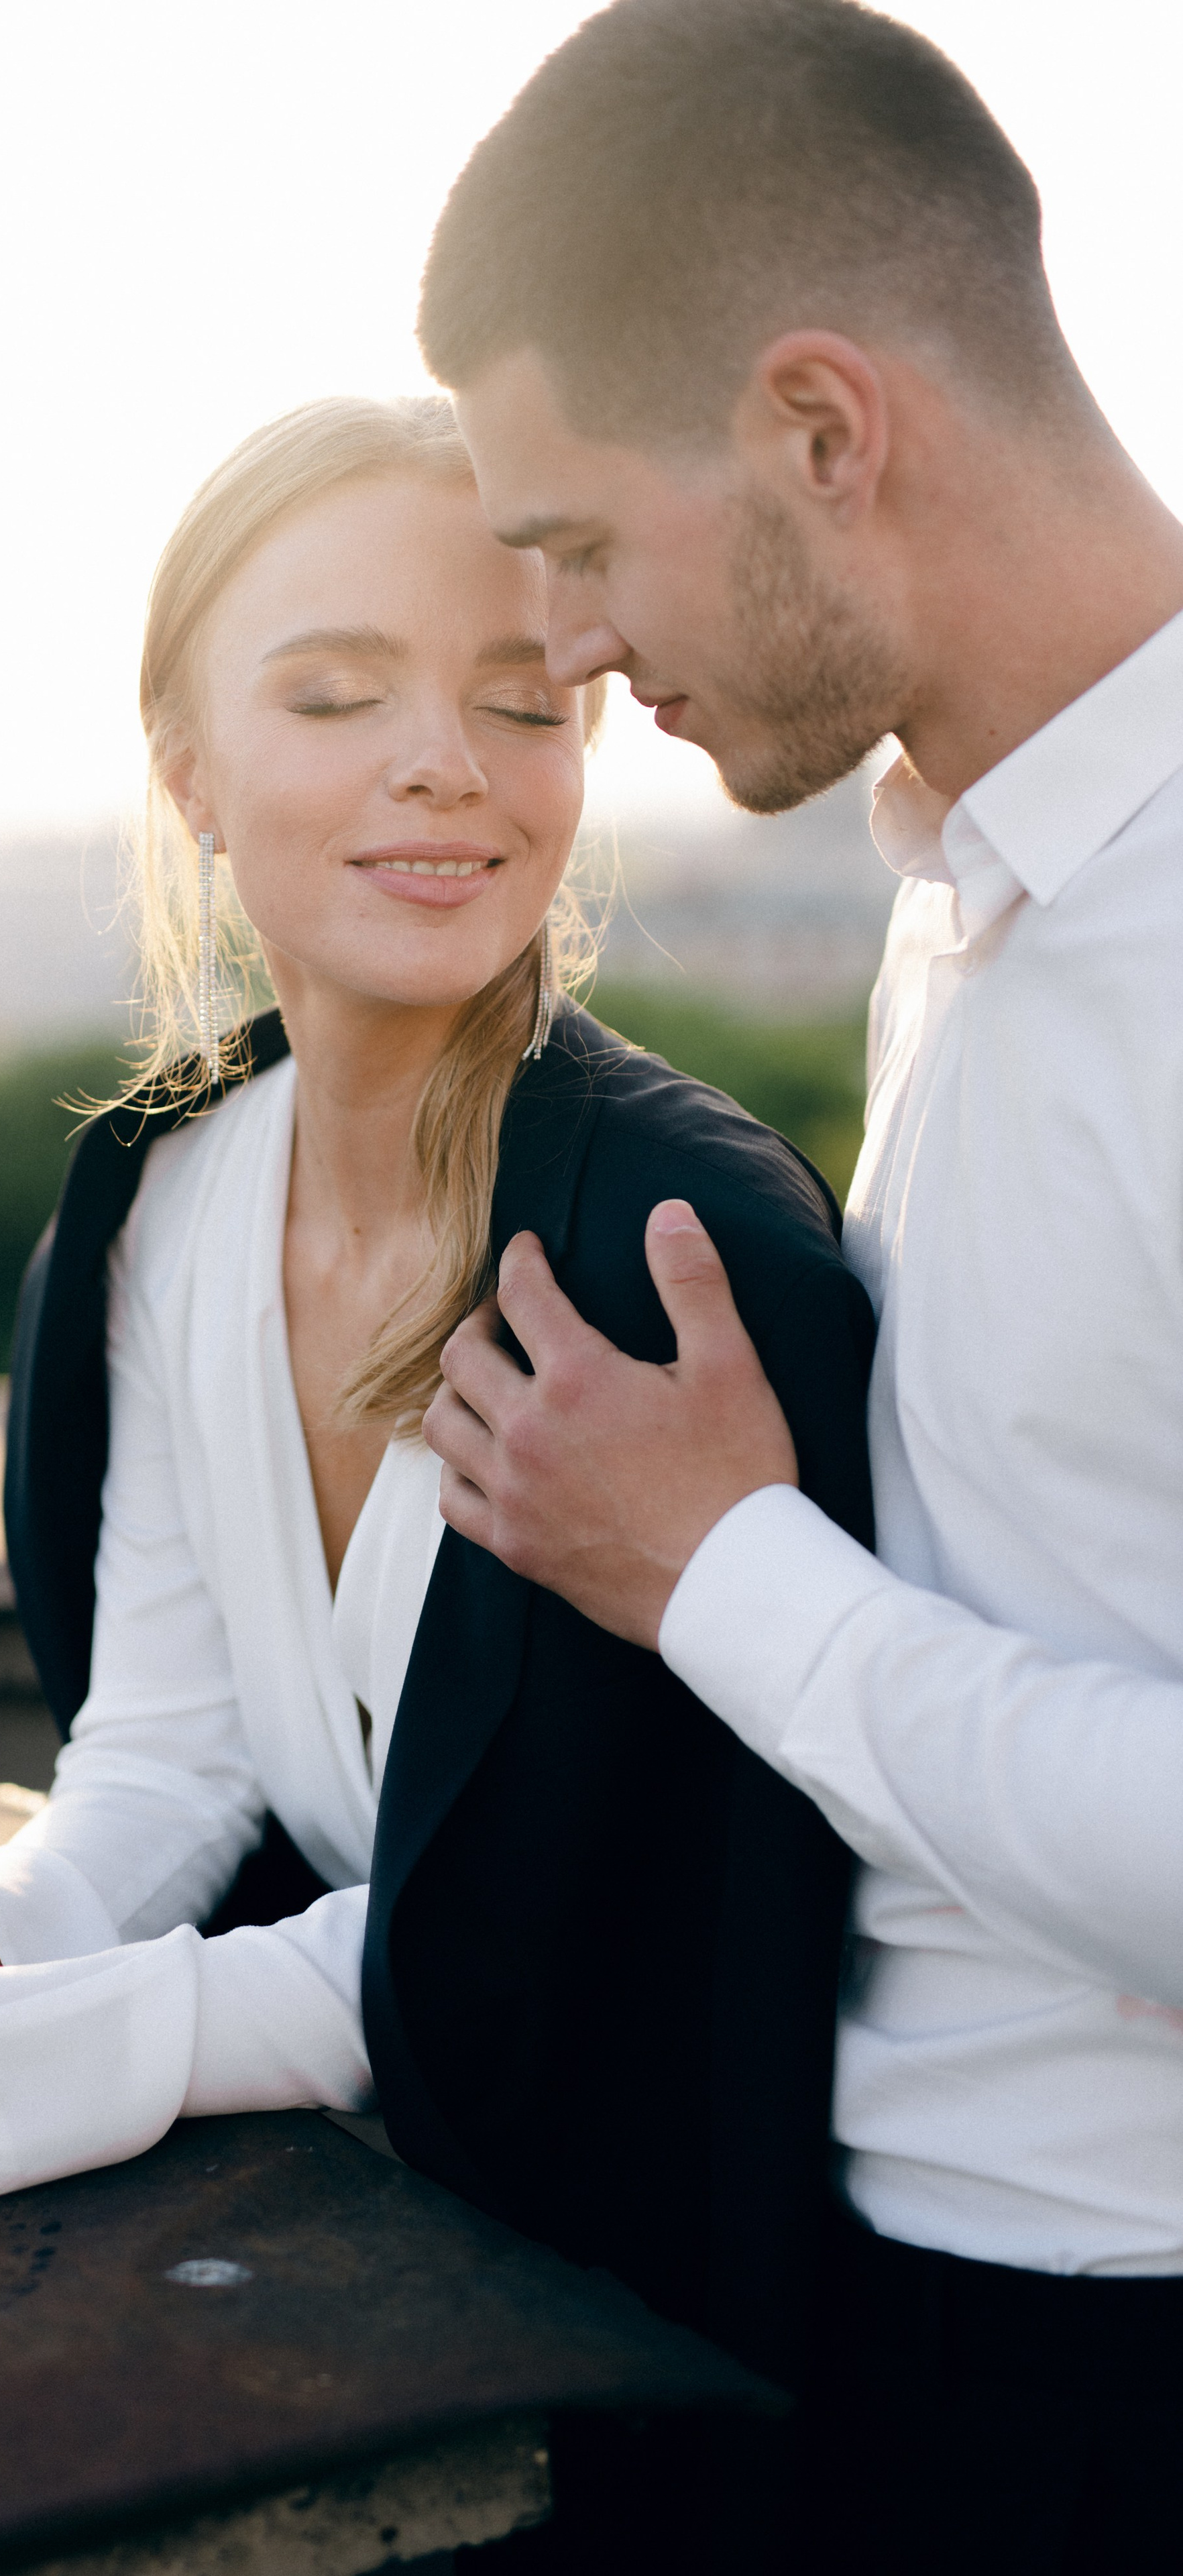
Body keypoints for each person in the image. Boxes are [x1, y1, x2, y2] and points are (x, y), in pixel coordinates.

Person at [0, 396, 874, 2474]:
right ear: (188, 771)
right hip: (376, 2244)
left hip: (679, 2349)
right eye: (336, 694)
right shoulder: (163, 1197)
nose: (444, 760)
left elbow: (529, 1943)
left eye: (522, 701)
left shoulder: (681, 1258)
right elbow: (171, 1756)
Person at [412, 3, 1183, 2570]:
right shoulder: (973, 876)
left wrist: (716, 1570)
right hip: (888, 2302)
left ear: (822, 430)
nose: (559, 645)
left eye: (577, 542)